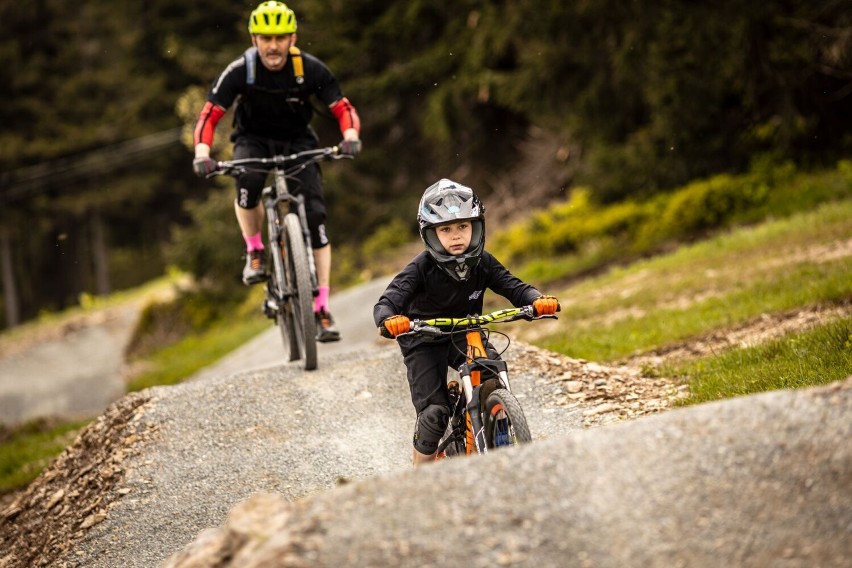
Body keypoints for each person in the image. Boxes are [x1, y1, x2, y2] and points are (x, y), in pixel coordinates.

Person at [192, 1, 361, 342]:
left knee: (315, 216)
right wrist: (202, 152)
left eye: (280, 37)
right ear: (254, 39)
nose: (273, 46)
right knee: (249, 182)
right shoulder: (240, 71)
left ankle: (321, 308)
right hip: (252, 141)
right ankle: (255, 250)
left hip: (298, 141)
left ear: (292, 38)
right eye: (266, 38)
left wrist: (350, 137)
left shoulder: (309, 69)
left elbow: (343, 108)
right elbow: (209, 116)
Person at [373, 179, 560, 465]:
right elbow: (387, 302)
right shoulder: (420, 269)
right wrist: (389, 320)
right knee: (434, 414)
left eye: (463, 226)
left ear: (477, 227)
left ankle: (500, 441)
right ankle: (419, 482)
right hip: (422, 337)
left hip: (464, 330)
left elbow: (513, 286)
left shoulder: (482, 262)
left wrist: (536, 300)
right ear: (431, 234)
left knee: (490, 376)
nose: (456, 235)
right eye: (445, 229)